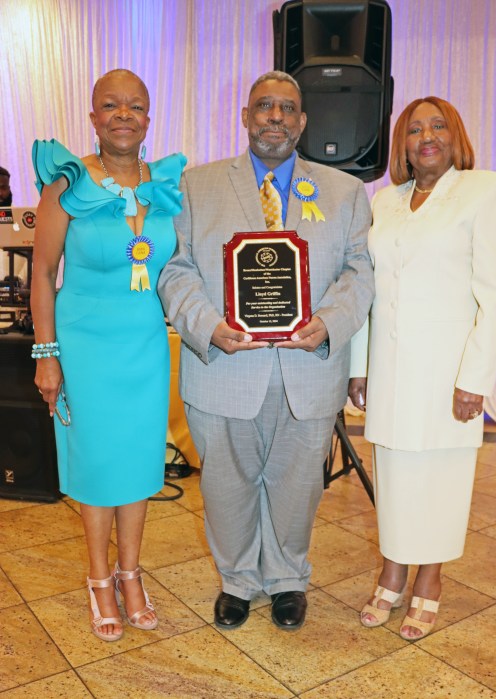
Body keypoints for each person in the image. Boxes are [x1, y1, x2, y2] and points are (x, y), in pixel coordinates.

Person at [159, 70, 374, 631]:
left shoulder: (344, 191)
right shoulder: (194, 186)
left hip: (308, 369)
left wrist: (329, 322)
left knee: (298, 483)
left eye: (286, 108)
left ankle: (286, 579)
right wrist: (207, 325)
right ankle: (237, 580)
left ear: (302, 122)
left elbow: (360, 271)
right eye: (263, 106)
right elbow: (175, 270)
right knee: (226, 483)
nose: (274, 116)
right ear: (245, 116)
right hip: (225, 365)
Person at [349, 96, 496, 640]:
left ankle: (430, 581)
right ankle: (392, 571)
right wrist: (360, 365)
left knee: (440, 475)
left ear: (455, 134)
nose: (427, 136)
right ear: (402, 144)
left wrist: (476, 378)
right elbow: (368, 289)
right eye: (415, 128)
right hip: (391, 367)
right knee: (395, 475)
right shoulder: (385, 200)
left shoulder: (485, 189)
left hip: (449, 371)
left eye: (438, 125)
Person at [30, 69, 186, 642]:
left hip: (143, 341)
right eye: (111, 106)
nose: (124, 115)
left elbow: (181, 265)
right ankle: (100, 580)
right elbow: (43, 275)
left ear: (149, 118)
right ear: (93, 117)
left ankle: (131, 574)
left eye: (135, 107)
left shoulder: (166, 184)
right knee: (97, 463)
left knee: (140, 461)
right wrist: (47, 354)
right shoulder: (67, 184)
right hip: (83, 342)